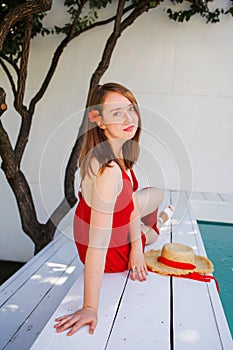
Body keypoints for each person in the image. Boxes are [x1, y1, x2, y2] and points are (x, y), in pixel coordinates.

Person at [54, 82, 173, 336]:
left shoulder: (112, 151)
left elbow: (129, 209)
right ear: (99, 120)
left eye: (131, 109)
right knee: (150, 234)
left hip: (114, 219)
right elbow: (97, 246)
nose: (129, 118)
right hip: (109, 250)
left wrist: (138, 251)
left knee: (155, 195)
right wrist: (89, 307)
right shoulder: (109, 171)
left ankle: (151, 225)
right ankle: (161, 222)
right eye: (117, 113)